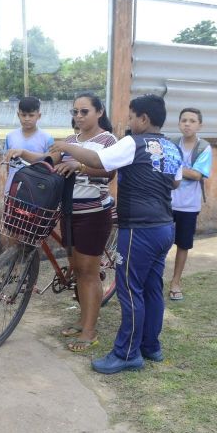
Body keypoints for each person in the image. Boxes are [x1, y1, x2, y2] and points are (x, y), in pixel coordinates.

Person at [51, 94, 183, 374]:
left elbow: (98, 159)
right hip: (164, 226)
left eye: (133, 116)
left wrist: (66, 146)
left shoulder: (133, 143)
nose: (130, 121)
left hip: (139, 229)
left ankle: (126, 355)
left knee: (129, 290)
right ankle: (151, 346)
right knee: (151, 288)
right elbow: (175, 181)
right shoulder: (171, 147)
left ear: (144, 119)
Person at [50, 92, 117, 353]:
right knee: (78, 270)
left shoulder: (108, 140)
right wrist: (23, 154)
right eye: (75, 112)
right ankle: (82, 320)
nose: (78, 116)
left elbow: (109, 171)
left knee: (88, 273)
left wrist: (79, 166)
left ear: (99, 112)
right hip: (69, 212)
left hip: (93, 214)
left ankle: (90, 331)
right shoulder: (70, 140)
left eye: (84, 111)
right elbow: (48, 158)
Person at [167, 108, 212, 301]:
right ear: (178, 123)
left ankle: (176, 281)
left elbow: (197, 175)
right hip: (167, 202)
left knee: (183, 245)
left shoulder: (204, 148)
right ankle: (153, 279)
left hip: (189, 206)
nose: (187, 124)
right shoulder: (171, 143)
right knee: (160, 242)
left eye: (192, 121)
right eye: (184, 120)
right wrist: (186, 170)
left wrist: (175, 167)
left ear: (199, 125)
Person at [1, 96, 54, 188]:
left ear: (39, 115)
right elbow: (7, 165)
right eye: (23, 115)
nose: (27, 119)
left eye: (31, 115)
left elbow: (50, 162)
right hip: (13, 188)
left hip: (37, 188)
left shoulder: (47, 138)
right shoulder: (10, 137)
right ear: (18, 115)